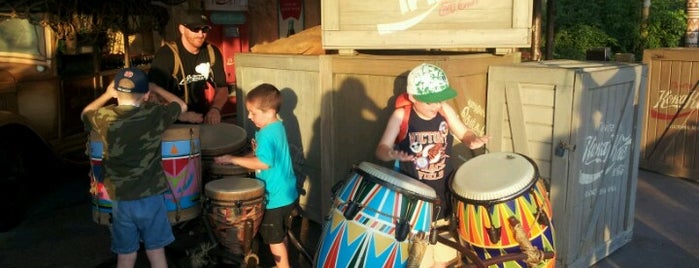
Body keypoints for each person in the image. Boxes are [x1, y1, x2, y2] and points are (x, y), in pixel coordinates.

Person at [375, 63, 489, 268]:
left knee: (447, 258)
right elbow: (382, 148)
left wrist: (472, 140)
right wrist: (391, 153)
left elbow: (463, 133)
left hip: (445, 193)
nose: (437, 105)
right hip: (415, 201)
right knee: (422, 259)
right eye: (430, 102)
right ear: (412, 97)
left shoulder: (444, 110)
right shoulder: (402, 116)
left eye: (440, 99)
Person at [82, 68, 187, 268]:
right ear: (146, 95)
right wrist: (157, 88)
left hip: (121, 199)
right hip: (151, 197)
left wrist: (106, 95)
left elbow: (85, 113)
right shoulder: (154, 114)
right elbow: (181, 106)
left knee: (126, 256)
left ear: (116, 92)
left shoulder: (105, 117)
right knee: (156, 252)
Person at [214, 83, 299, 268]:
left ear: (269, 111)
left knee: (273, 241)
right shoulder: (277, 126)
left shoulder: (266, 134)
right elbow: (261, 154)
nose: (250, 117)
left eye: (253, 112)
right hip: (287, 193)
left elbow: (264, 163)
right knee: (280, 235)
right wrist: (235, 159)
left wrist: (234, 160)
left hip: (275, 198)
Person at [148, 11, 228, 124]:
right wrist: (181, 115)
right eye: (195, 29)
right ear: (181, 29)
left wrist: (215, 109)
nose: (200, 34)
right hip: (171, 120)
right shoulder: (166, 55)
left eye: (204, 29)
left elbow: (222, 87)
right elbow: (152, 94)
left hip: (200, 117)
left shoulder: (211, 52)